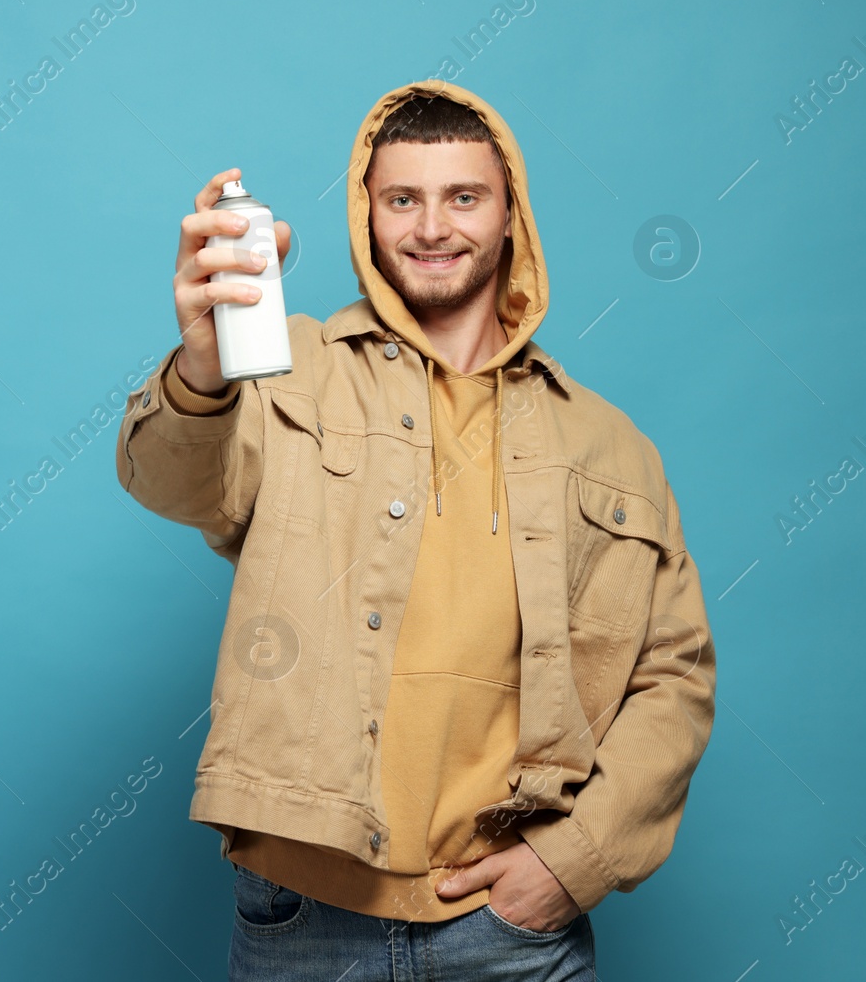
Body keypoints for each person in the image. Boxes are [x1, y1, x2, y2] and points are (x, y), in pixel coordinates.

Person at [114, 81, 717, 980]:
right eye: (404, 199)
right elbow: (171, 480)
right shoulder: (286, 372)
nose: (432, 227)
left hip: (511, 929)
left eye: (463, 196)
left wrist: (575, 859)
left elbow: (674, 674)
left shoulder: (609, 444)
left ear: (512, 216)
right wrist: (204, 364)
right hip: (301, 919)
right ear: (368, 216)